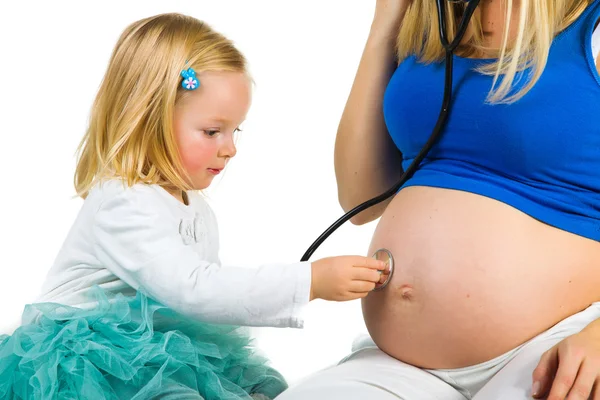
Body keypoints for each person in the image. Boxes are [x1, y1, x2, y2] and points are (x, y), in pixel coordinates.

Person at [0, 13, 386, 400]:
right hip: (92, 357)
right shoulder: (122, 202)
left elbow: (200, 292)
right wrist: (310, 282)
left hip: (155, 344)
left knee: (262, 388)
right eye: (212, 131)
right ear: (150, 118)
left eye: (235, 130)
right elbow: (195, 290)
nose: (230, 148)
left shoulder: (194, 206)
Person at [276, 0, 600, 399]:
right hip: (400, 364)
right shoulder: (432, 23)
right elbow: (361, 195)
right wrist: (384, 26)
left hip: (558, 348)